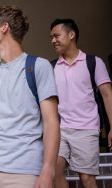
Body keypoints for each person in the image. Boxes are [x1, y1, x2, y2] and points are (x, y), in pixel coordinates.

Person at [0, 5, 60, 188]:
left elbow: (51, 121)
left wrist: (48, 170)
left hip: (24, 169)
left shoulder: (39, 66)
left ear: (4, 27)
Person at [50, 18, 112, 188]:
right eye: (51, 37)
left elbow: (107, 95)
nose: (53, 40)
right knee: (54, 171)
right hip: (60, 130)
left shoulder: (94, 62)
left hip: (86, 129)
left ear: (71, 34)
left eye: (56, 36)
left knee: (86, 179)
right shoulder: (51, 66)